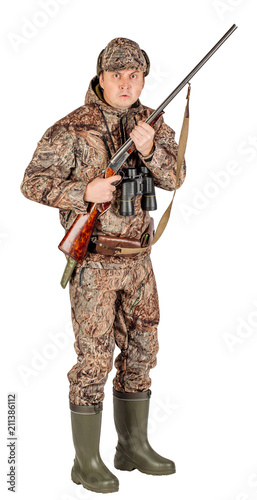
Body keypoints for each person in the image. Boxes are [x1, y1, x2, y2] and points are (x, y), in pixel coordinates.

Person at [21, 37, 186, 494]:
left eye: (135, 74)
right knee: (93, 360)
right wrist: (83, 193)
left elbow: (175, 178)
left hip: (140, 262)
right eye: (117, 74)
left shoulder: (151, 122)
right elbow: (31, 182)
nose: (126, 83)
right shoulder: (72, 128)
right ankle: (85, 461)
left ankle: (132, 446)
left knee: (142, 353)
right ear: (100, 77)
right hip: (94, 265)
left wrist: (150, 151)